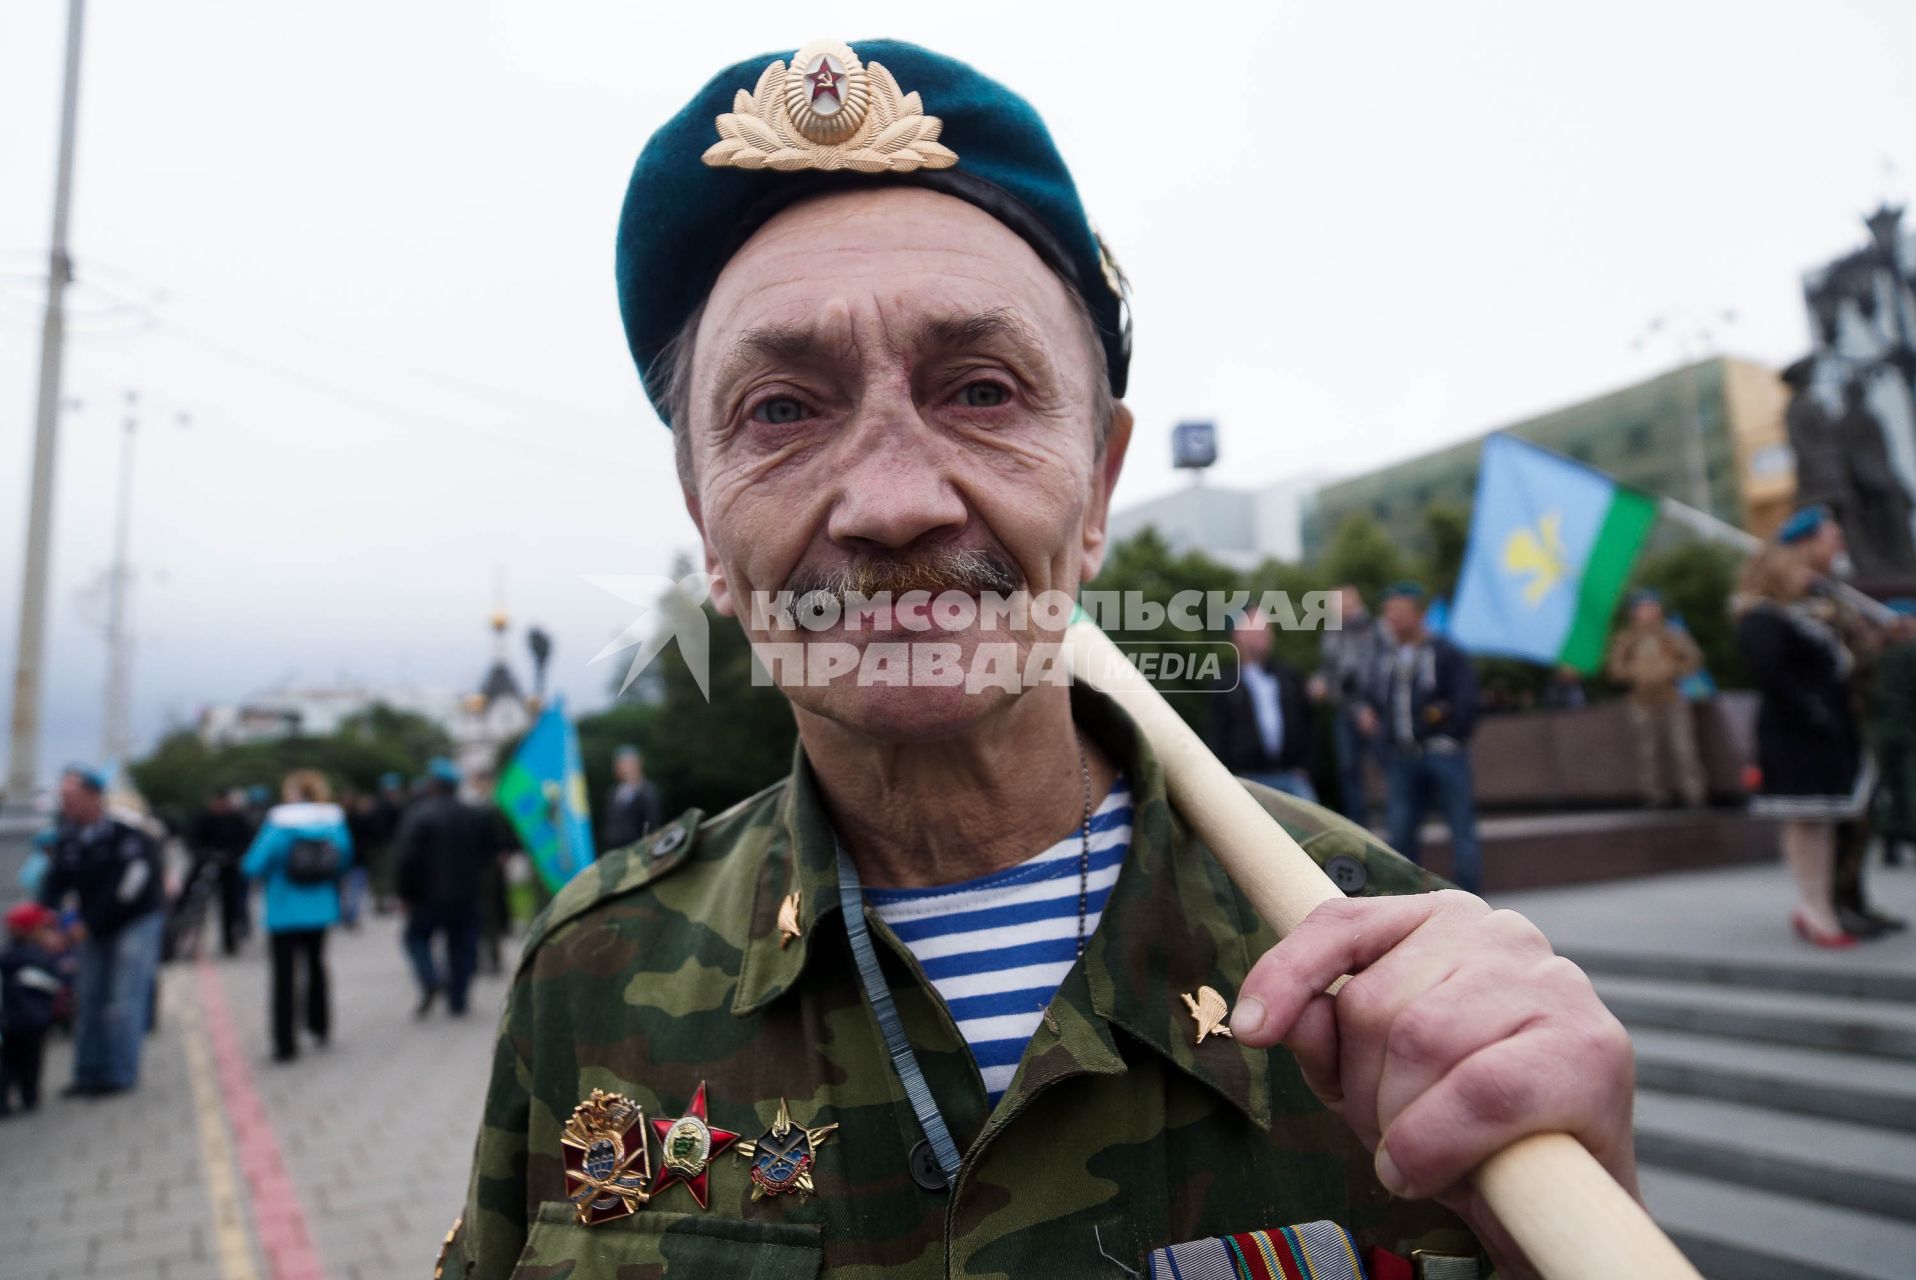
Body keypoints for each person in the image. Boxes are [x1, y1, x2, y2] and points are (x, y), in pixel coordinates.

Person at [441, 41, 1635, 1278]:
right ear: (707, 527)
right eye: (783, 410)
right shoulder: (588, 974)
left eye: (983, 390)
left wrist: (1567, 1221)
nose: (893, 502)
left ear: (1099, 483)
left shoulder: (1366, 959)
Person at [1733, 542, 1869, 946]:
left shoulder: (1797, 613)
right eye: (1797, 569)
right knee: (1805, 820)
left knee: (1820, 823)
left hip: (1818, 730)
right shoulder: (1761, 617)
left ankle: (1819, 907)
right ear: (1776, 572)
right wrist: (1813, 711)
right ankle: (1815, 910)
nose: (1806, 576)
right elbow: (1772, 674)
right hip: (1796, 734)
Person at [1781, 504, 1905, 936]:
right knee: (1839, 817)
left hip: (1856, 712)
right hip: (1828, 720)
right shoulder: (1796, 591)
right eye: (1831, 535)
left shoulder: (1829, 588)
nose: (1838, 542)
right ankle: (1829, 905)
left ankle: (1852, 899)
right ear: (1806, 542)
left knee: (1861, 814)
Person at [36, 764, 166, 1097]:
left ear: (94, 797)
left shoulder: (127, 834)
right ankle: (87, 1073)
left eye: (71, 796)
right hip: (92, 921)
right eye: (62, 796)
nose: (65, 802)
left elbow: (127, 888)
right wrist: (45, 923)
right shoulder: (67, 837)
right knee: (88, 996)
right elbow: (54, 883)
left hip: (134, 919)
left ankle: (119, 1073)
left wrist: (87, 924)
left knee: (123, 998)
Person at [1356, 583, 1484, 893]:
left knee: (1461, 830)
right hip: (1402, 758)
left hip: (1443, 755)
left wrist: (1449, 736)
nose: (1392, 620)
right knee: (1400, 836)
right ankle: (1407, 902)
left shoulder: (1446, 653)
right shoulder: (1387, 658)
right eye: (1388, 613)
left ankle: (1471, 900)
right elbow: (1373, 697)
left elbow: (1468, 702)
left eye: (1399, 612)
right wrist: (1370, 716)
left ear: (1418, 614)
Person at [241, 769, 353, 1061]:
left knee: (284, 976)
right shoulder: (332, 821)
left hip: (283, 910)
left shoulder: (280, 824)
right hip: (321, 908)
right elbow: (345, 859)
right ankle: (320, 1025)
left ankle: (285, 1043)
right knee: (316, 966)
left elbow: (254, 864)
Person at [395, 758, 503, 1016]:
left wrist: (404, 893)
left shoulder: (418, 815)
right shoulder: (477, 814)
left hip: (426, 896)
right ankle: (458, 1000)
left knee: (415, 938)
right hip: (468, 893)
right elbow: (491, 853)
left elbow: (405, 859)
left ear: (432, 785)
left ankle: (431, 979)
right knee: (463, 947)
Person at [1605, 589, 1706, 809]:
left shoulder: (1673, 634)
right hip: (1641, 700)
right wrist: (1637, 672)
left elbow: (1694, 659)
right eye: (1643, 607)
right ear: (1634, 613)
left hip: (1671, 696)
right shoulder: (1627, 639)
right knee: (1647, 751)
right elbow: (1615, 669)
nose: (1648, 612)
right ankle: (1655, 796)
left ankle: (1694, 794)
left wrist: (1672, 669)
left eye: (1652, 606)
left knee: (1684, 748)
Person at [1208, 610, 1317, 799]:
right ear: (1237, 635)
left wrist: (1305, 766)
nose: (1265, 635)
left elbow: (1310, 722)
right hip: (1248, 780)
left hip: (1293, 777)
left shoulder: (1289, 676)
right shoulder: (1225, 684)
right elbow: (1217, 732)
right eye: (1257, 629)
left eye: (1267, 629)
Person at [1308, 584, 1382, 825]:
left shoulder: (1374, 630)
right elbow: (1331, 670)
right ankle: (1359, 826)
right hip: (1345, 711)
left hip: (1376, 710)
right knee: (1348, 771)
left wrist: (1366, 706)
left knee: (1386, 766)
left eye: (1340, 603)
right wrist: (1319, 681)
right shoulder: (1332, 634)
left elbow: (1376, 673)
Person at [0, 902, 67, 1117]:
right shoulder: (40, 957)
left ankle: (4, 1101)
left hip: (10, 1022)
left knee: (8, 1064)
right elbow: (57, 981)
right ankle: (29, 1096)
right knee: (30, 1064)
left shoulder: (8, 956)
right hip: (34, 1022)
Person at [186, 788, 255, 955]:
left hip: (231, 867)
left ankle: (230, 941)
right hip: (205, 865)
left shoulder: (237, 818)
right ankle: (189, 939)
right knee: (192, 901)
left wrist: (231, 855)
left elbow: (246, 841)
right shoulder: (203, 818)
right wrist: (205, 855)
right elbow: (192, 840)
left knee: (231, 905)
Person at [1875, 600, 1916, 866]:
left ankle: (1890, 837)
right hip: (1905, 731)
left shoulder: (1876, 653)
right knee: (1907, 785)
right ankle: (1901, 834)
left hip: (1882, 730)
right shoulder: (1907, 654)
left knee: (1890, 786)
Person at [600, 744, 662, 850]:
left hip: (637, 848)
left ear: (637, 764)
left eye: (624, 763)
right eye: (618, 763)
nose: (619, 767)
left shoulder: (646, 790)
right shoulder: (613, 791)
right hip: (614, 849)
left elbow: (652, 823)